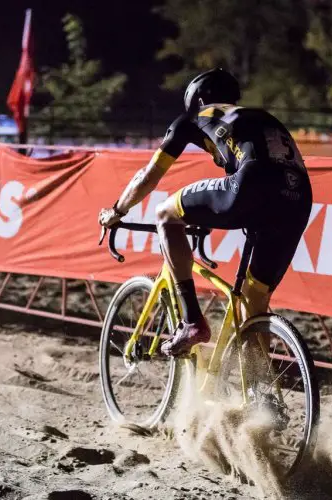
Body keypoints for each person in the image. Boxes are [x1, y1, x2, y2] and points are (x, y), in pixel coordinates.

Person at [99, 68, 312, 356]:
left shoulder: (193, 118)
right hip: (298, 197)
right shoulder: (257, 116)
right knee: (254, 299)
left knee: (165, 214)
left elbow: (149, 176)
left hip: (252, 183)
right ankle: (259, 391)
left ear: (198, 100)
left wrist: (117, 209)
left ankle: (191, 322)